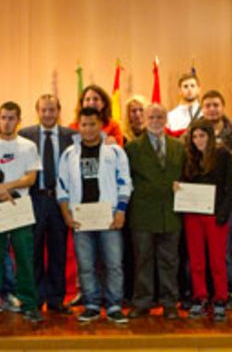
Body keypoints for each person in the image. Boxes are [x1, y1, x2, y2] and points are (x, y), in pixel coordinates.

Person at [58, 107, 132, 324]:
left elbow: (125, 182)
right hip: (82, 217)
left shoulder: (115, 151)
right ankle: (91, 304)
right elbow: (62, 188)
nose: (88, 129)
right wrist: (66, 214)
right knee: (86, 264)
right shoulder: (69, 154)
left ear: (101, 125)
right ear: (78, 126)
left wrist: (121, 210)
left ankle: (114, 305)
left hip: (108, 216)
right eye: (84, 125)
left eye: (92, 124)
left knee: (113, 263)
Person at [0, 101, 44, 323]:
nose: (6, 122)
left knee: (24, 257)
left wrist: (8, 187)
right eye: (3, 117)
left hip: (20, 206)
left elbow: (31, 178)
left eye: (11, 118)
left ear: (19, 120)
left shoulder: (28, 146)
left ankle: (30, 304)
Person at [125, 104, 185, 320]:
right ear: (145, 118)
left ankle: (170, 302)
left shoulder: (179, 146)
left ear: (166, 119)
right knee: (143, 260)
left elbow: (186, 175)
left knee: (170, 260)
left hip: (171, 213)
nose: (156, 120)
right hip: (142, 213)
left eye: (160, 116)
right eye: (152, 116)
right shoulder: (132, 148)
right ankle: (142, 302)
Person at [18, 94, 76, 314]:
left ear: (59, 111)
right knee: (32, 251)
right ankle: (34, 298)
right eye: (44, 110)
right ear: (37, 111)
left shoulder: (72, 136)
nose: (48, 114)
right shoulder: (25, 135)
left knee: (58, 251)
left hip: (60, 200)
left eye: (52, 110)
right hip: (34, 199)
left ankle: (56, 299)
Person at [177, 119, 232, 321]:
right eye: (194, 136)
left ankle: (220, 298)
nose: (198, 140)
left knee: (217, 260)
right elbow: (184, 184)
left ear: (210, 136)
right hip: (193, 215)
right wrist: (178, 188)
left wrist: (223, 213)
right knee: (196, 261)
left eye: (202, 136)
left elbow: (231, 187)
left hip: (216, 216)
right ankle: (200, 297)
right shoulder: (189, 157)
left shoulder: (223, 155)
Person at [200, 90, 232, 306]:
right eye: (208, 105)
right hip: (204, 201)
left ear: (222, 107)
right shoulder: (195, 133)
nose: (212, 109)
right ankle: (216, 289)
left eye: (216, 105)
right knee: (215, 248)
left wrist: (228, 181)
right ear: (203, 109)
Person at [166, 73, 201, 137]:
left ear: (198, 89)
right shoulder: (171, 116)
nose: (189, 89)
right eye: (185, 86)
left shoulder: (205, 113)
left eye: (192, 86)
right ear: (179, 91)